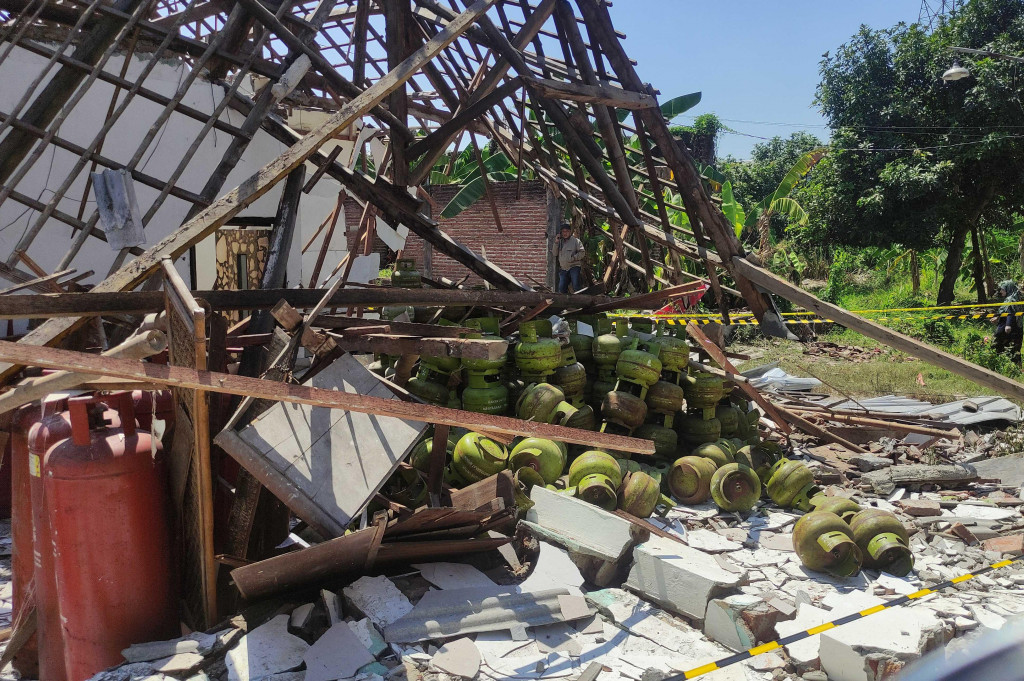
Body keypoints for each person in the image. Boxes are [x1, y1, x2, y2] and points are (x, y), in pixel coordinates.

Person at [993, 280, 1023, 363]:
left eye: (1003, 289)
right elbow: (1004, 311)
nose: (1001, 291)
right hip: (1016, 329)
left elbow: (1010, 312)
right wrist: (997, 317)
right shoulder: (1014, 298)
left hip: (1009, 330)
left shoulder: (1011, 300)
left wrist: (1008, 325)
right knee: (1013, 349)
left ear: (1008, 289)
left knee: (1001, 347)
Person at [554, 223, 585, 293]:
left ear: (570, 232)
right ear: (561, 232)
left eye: (567, 231)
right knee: (561, 288)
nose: (565, 233)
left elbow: (582, 253)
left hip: (574, 266)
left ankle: (580, 301)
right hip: (564, 268)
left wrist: (573, 258)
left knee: (576, 285)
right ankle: (564, 303)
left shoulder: (576, 241)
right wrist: (556, 242)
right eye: (563, 231)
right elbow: (554, 253)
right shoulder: (560, 242)